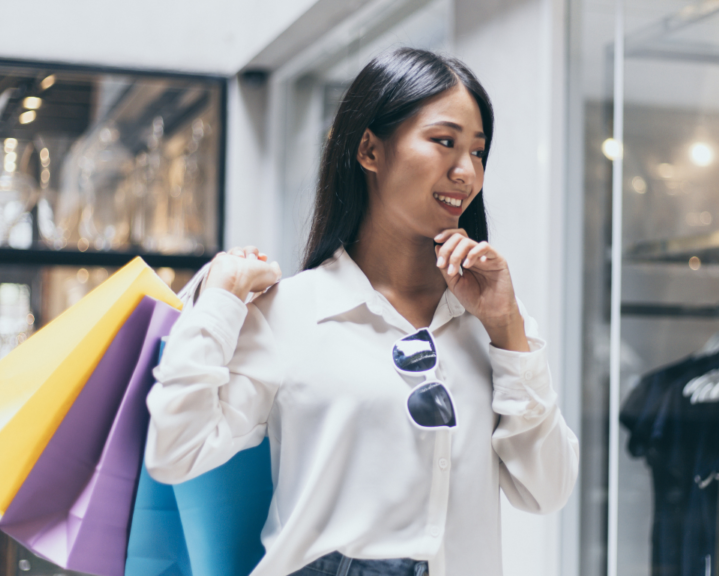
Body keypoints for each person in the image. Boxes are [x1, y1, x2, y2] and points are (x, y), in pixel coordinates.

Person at [145, 47, 579, 576]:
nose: (466, 171)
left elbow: (548, 490)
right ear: (370, 150)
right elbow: (174, 451)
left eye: (478, 152)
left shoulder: (494, 322)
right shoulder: (289, 313)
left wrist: (507, 331)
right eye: (444, 142)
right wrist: (217, 302)